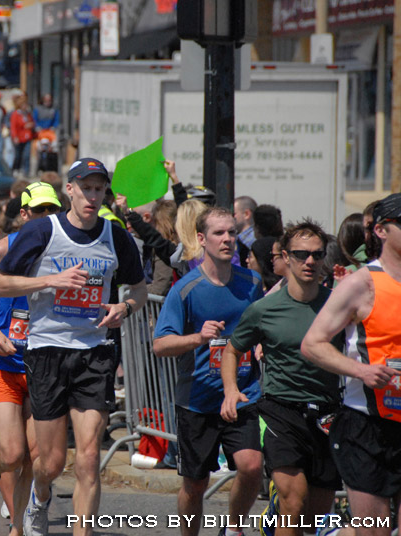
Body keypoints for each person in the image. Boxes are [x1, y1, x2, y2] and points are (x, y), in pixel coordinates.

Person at [0, 158, 147, 536]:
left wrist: (123, 307)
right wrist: (50, 281)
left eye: (99, 189)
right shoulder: (44, 231)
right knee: (50, 462)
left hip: (94, 351)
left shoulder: (116, 236)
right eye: (86, 188)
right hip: (47, 350)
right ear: (70, 190)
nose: (93, 196)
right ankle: (40, 494)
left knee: (90, 458)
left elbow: (139, 290)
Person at [222, 220, 342, 536]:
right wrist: (231, 390)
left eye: (317, 254)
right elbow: (232, 350)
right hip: (281, 411)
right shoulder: (265, 309)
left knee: (315, 516)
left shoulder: (339, 304)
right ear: (286, 258)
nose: (310, 261)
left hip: (328, 412)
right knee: (293, 501)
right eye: (301, 254)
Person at [153, 206, 264, 536]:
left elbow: (263, 327)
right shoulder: (185, 289)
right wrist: (197, 338)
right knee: (195, 484)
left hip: (243, 394)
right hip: (197, 399)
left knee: (252, 466)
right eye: (219, 233)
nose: (228, 239)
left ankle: (233, 529)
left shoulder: (252, 283)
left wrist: (262, 344)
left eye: (231, 232)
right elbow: (160, 345)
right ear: (201, 239)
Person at [301, 193, 401, 536]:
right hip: (367, 424)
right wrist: (361, 370)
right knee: (373, 531)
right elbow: (312, 344)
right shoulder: (361, 284)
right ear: (383, 230)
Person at [0, 182, 62, 535]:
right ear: (24, 214)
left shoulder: (64, 255)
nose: (46, 218)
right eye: (39, 212)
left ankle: (18, 527)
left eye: (52, 211)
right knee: (11, 455)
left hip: (43, 366)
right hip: (4, 364)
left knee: (36, 458)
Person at [10, 94, 34, 178]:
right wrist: (15, 136)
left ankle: (26, 172)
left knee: (26, 155)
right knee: (18, 155)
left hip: (27, 137)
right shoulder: (16, 114)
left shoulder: (27, 114)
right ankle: (16, 169)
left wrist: (30, 125)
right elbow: (13, 126)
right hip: (19, 137)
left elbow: (32, 122)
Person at [234, 196, 257, 261]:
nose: (230, 217)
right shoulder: (239, 237)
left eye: (234, 214)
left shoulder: (252, 240)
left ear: (247, 214)